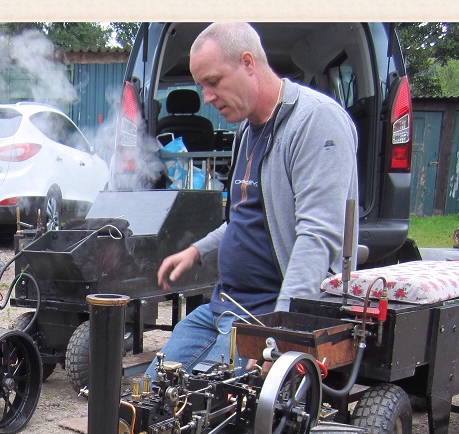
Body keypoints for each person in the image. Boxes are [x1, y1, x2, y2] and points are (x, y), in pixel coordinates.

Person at [150, 22, 358, 375]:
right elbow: (242, 219)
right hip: (224, 306)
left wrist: (279, 338)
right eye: (202, 86)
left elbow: (317, 237)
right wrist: (196, 251)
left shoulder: (315, 121)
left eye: (213, 82)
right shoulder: (247, 130)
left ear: (248, 63)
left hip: (263, 314)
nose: (207, 97)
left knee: (203, 410)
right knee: (153, 391)